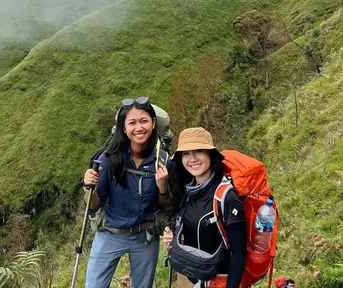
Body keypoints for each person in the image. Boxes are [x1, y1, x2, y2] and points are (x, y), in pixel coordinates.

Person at [83, 96, 172, 288]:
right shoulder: (109, 159)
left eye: (144, 121)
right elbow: (94, 204)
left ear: (153, 123)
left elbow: (165, 205)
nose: (138, 127)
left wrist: (163, 187)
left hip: (145, 236)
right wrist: (88, 188)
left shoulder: (162, 160)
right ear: (124, 128)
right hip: (110, 233)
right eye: (132, 122)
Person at [163, 127, 247, 288]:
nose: (192, 159)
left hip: (220, 280)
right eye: (186, 154)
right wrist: (172, 235)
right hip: (189, 276)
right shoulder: (186, 191)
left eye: (199, 151)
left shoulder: (226, 197)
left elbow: (239, 254)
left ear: (210, 154)